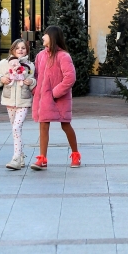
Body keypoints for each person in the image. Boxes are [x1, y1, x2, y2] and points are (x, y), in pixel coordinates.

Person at [30, 25, 80, 171]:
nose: (43, 37)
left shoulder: (63, 56)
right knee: (43, 125)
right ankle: (42, 159)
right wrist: (35, 90)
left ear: (52, 37)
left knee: (65, 125)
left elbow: (70, 78)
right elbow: (36, 76)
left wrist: (54, 93)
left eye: (45, 34)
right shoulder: (40, 56)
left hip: (59, 100)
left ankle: (75, 154)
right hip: (43, 100)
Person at [0, 39, 36, 170]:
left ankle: (16, 158)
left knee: (16, 127)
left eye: (23, 48)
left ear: (27, 50)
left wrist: (31, 82)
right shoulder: (4, 63)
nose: (20, 50)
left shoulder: (30, 65)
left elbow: (34, 80)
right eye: (17, 48)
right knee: (15, 129)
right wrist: (1, 79)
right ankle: (21, 156)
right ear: (12, 50)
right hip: (9, 101)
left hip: (23, 101)